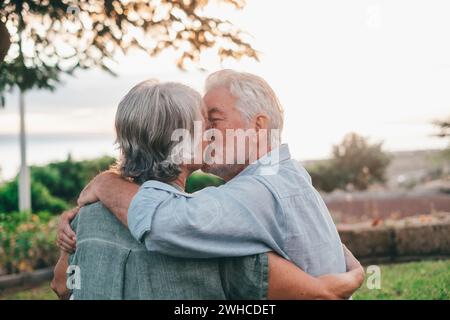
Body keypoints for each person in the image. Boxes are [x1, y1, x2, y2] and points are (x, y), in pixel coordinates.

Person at [54, 80, 364, 299]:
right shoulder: (215, 239)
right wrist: (352, 275)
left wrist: (104, 184)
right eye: (205, 124)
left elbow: (62, 286)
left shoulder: (87, 219)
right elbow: (318, 294)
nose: (210, 135)